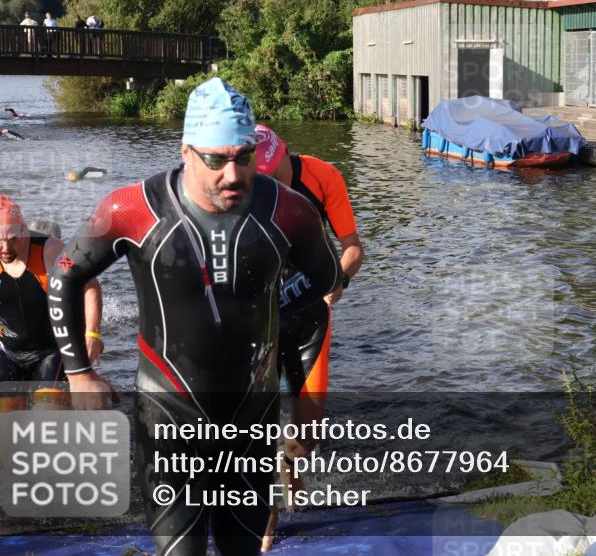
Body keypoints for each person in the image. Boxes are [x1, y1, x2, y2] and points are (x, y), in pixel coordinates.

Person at [48, 77, 342, 555]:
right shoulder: (132, 209)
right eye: (216, 159)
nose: (234, 174)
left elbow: (326, 281)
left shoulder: (289, 211)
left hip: (251, 415)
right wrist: (79, 373)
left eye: (244, 156)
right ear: (186, 151)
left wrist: (276, 321)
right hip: (169, 415)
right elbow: (64, 277)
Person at [253, 124, 364, 551]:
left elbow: (353, 247)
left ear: (286, 153)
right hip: (261, 319)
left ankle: (290, 467)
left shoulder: (322, 176)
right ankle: (266, 515)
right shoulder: (241, 189)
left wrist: (340, 281)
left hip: (311, 319)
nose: (270, 184)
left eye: (274, 173)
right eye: (260, 176)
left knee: (307, 432)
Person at [0, 196, 103, 401]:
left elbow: (90, 285)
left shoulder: (52, 251)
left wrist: (92, 335)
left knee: (46, 411)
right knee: (6, 418)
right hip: (7, 350)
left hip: (53, 348)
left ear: (24, 229)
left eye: (13, 238)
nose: (6, 248)